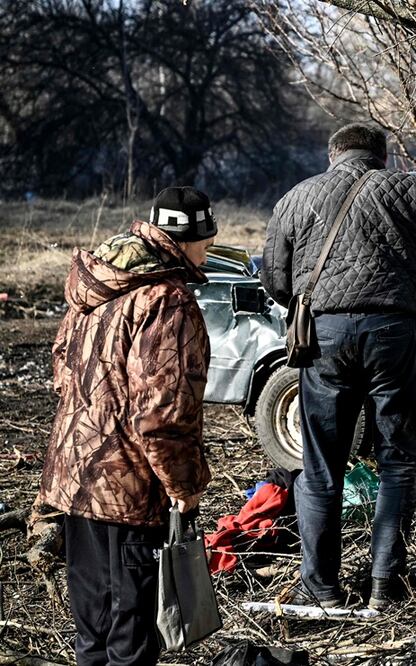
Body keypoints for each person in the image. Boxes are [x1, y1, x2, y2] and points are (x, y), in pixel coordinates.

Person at [261, 123, 416, 609]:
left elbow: (274, 278)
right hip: (394, 336)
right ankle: (384, 586)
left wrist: (321, 307)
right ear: (382, 155)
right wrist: (405, 301)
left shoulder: (296, 196)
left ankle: (322, 588)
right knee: (398, 462)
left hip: (323, 339)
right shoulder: (412, 190)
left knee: (320, 467)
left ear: (333, 155)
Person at [36, 186, 217, 665]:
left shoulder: (96, 285)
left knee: (92, 629)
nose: (210, 249)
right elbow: (162, 416)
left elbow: (61, 368)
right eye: (206, 239)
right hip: (129, 493)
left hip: (75, 478)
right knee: (130, 636)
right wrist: (185, 484)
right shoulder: (168, 301)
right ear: (186, 241)